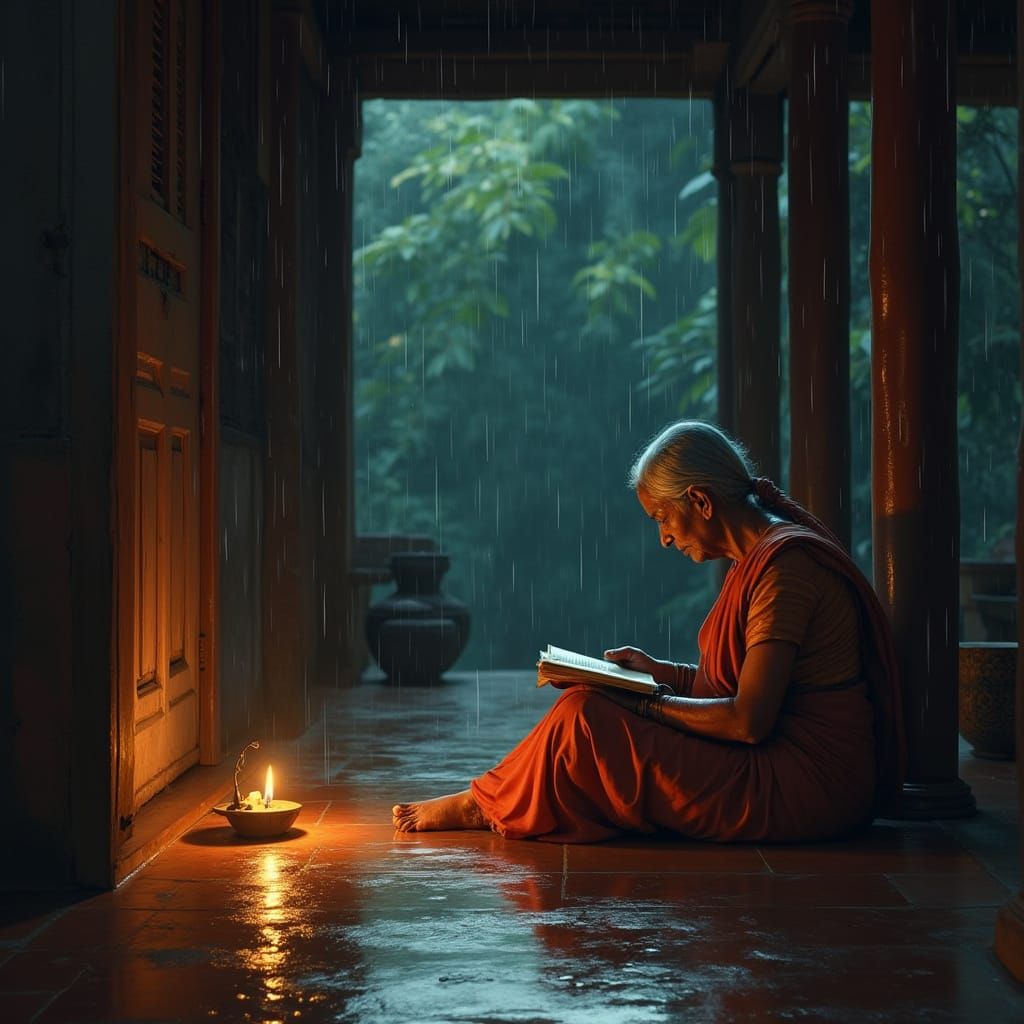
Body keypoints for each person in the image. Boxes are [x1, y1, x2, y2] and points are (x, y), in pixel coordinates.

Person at [392, 420, 905, 843]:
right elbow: (735, 685)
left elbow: (749, 720)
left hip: (803, 784)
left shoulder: (784, 570)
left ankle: (486, 805)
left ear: (701, 502)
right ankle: (488, 799)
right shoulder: (757, 559)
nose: (663, 538)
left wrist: (644, 702)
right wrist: (659, 673)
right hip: (773, 760)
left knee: (588, 720)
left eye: (663, 517)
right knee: (582, 710)